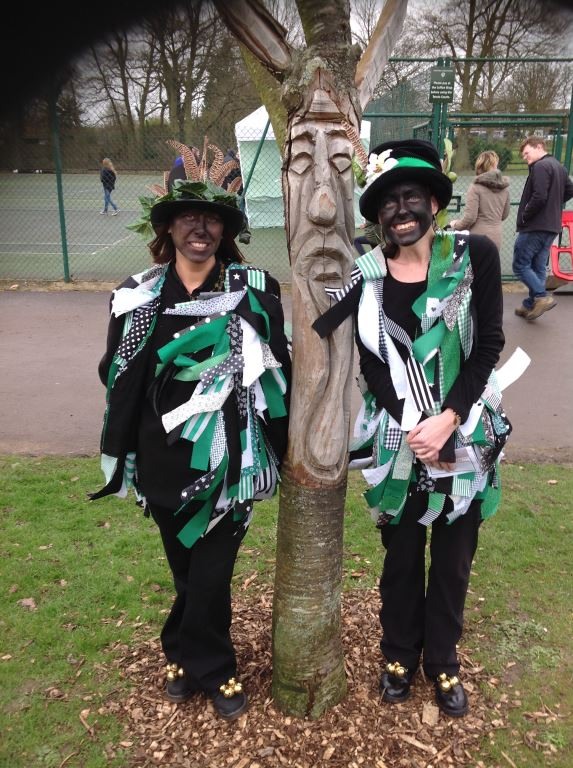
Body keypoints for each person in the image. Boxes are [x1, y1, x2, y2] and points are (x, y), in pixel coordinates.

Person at [89, 141, 291, 721]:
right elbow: (115, 374)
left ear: (226, 230)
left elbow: (280, 371)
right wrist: (124, 449)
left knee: (212, 573)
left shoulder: (256, 288)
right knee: (185, 570)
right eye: (188, 218)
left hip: (233, 461)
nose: (200, 229)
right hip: (162, 459)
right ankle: (184, 652)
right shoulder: (137, 295)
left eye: (212, 219)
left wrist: (282, 444)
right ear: (169, 227)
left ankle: (211, 667)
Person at [313, 139, 512, 718]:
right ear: (378, 217)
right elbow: (371, 364)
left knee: (453, 558)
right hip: (399, 438)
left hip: (465, 431)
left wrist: (447, 418)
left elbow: (489, 345)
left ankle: (443, 662)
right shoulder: (367, 278)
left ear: (433, 202)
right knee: (400, 557)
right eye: (387, 203)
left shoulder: (473, 257)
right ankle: (398, 656)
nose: (400, 211)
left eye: (410, 198)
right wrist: (412, 424)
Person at [512, 136, 573, 321]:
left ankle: (540, 296)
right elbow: (570, 190)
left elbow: (539, 196)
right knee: (538, 265)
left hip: (535, 225)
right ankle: (530, 304)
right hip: (552, 225)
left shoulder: (540, 166)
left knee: (520, 265)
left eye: (527, 153)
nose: (525, 158)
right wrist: (554, 204)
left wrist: (525, 214)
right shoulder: (559, 167)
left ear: (539, 147)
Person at [449, 150, 510, 251]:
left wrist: (455, 224)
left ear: (480, 167)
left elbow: (470, 218)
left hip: (477, 238)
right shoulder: (504, 189)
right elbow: (504, 215)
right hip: (496, 237)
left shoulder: (475, 187)